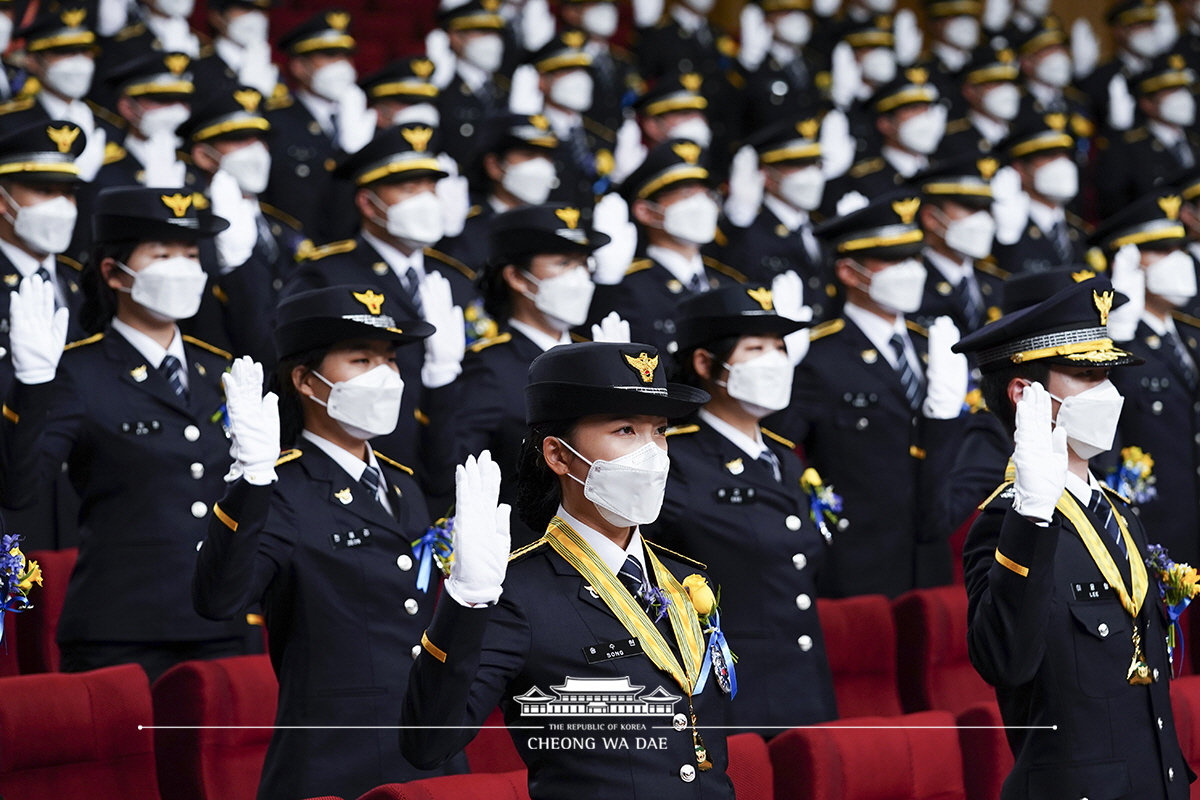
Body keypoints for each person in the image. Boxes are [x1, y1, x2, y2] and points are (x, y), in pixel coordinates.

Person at [401, 341, 738, 798]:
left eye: (658, 431)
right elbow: (427, 744)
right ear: (558, 456)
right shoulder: (519, 594)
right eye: (624, 430)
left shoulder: (684, 577)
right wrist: (466, 602)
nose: (653, 454)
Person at [193, 286, 468, 800]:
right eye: (361, 359)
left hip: (428, 752)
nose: (384, 377)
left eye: (390, 360)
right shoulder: (280, 489)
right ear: (305, 380)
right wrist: (250, 485)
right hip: (338, 760)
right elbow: (219, 600)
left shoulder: (402, 486)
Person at [0, 186, 256, 681]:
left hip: (223, 627)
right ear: (114, 272)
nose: (181, 267)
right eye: (161, 254)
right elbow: (20, 486)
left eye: (190, 254)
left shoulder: (218, 372)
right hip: (123, 633)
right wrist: (31, 387)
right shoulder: (78, 370)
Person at [955, 274, 1193, 799]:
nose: (1107, 393)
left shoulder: (1120, 513)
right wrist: (1032, 515)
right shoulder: (1007, 522)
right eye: (1086, 375)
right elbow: (1004, 661)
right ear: (1023, 393)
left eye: (1109, 375)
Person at [646, 284, 838, 734]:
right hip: (732, 700)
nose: (775, 360)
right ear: (704, 362)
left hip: (805, 689)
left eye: (780, 347)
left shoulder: (784, 458)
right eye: (756, 347)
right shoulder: (673, 461)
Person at [774, 191, 970, 596]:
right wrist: (780, 372)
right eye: (895, 260)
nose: (912, 270)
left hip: (929, 549)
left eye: (915, 257)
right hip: (858, 557)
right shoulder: (818, 355)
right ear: (849, 271)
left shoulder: (932, 346)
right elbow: (779, 448)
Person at [283, 123, 469, 476]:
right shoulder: (326, 275)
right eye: (409, 188)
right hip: (364, 462)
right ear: (368, 203)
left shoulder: (456, 279)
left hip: (449, 459)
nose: (426, 201)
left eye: (432, 188)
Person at [430, 203, 613, 544]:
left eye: (584, 264)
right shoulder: (490, 367)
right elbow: (449, 474)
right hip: (528, 548)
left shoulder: (596, 353)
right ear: (516, 277)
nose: (580, 278)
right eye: (563, 264)